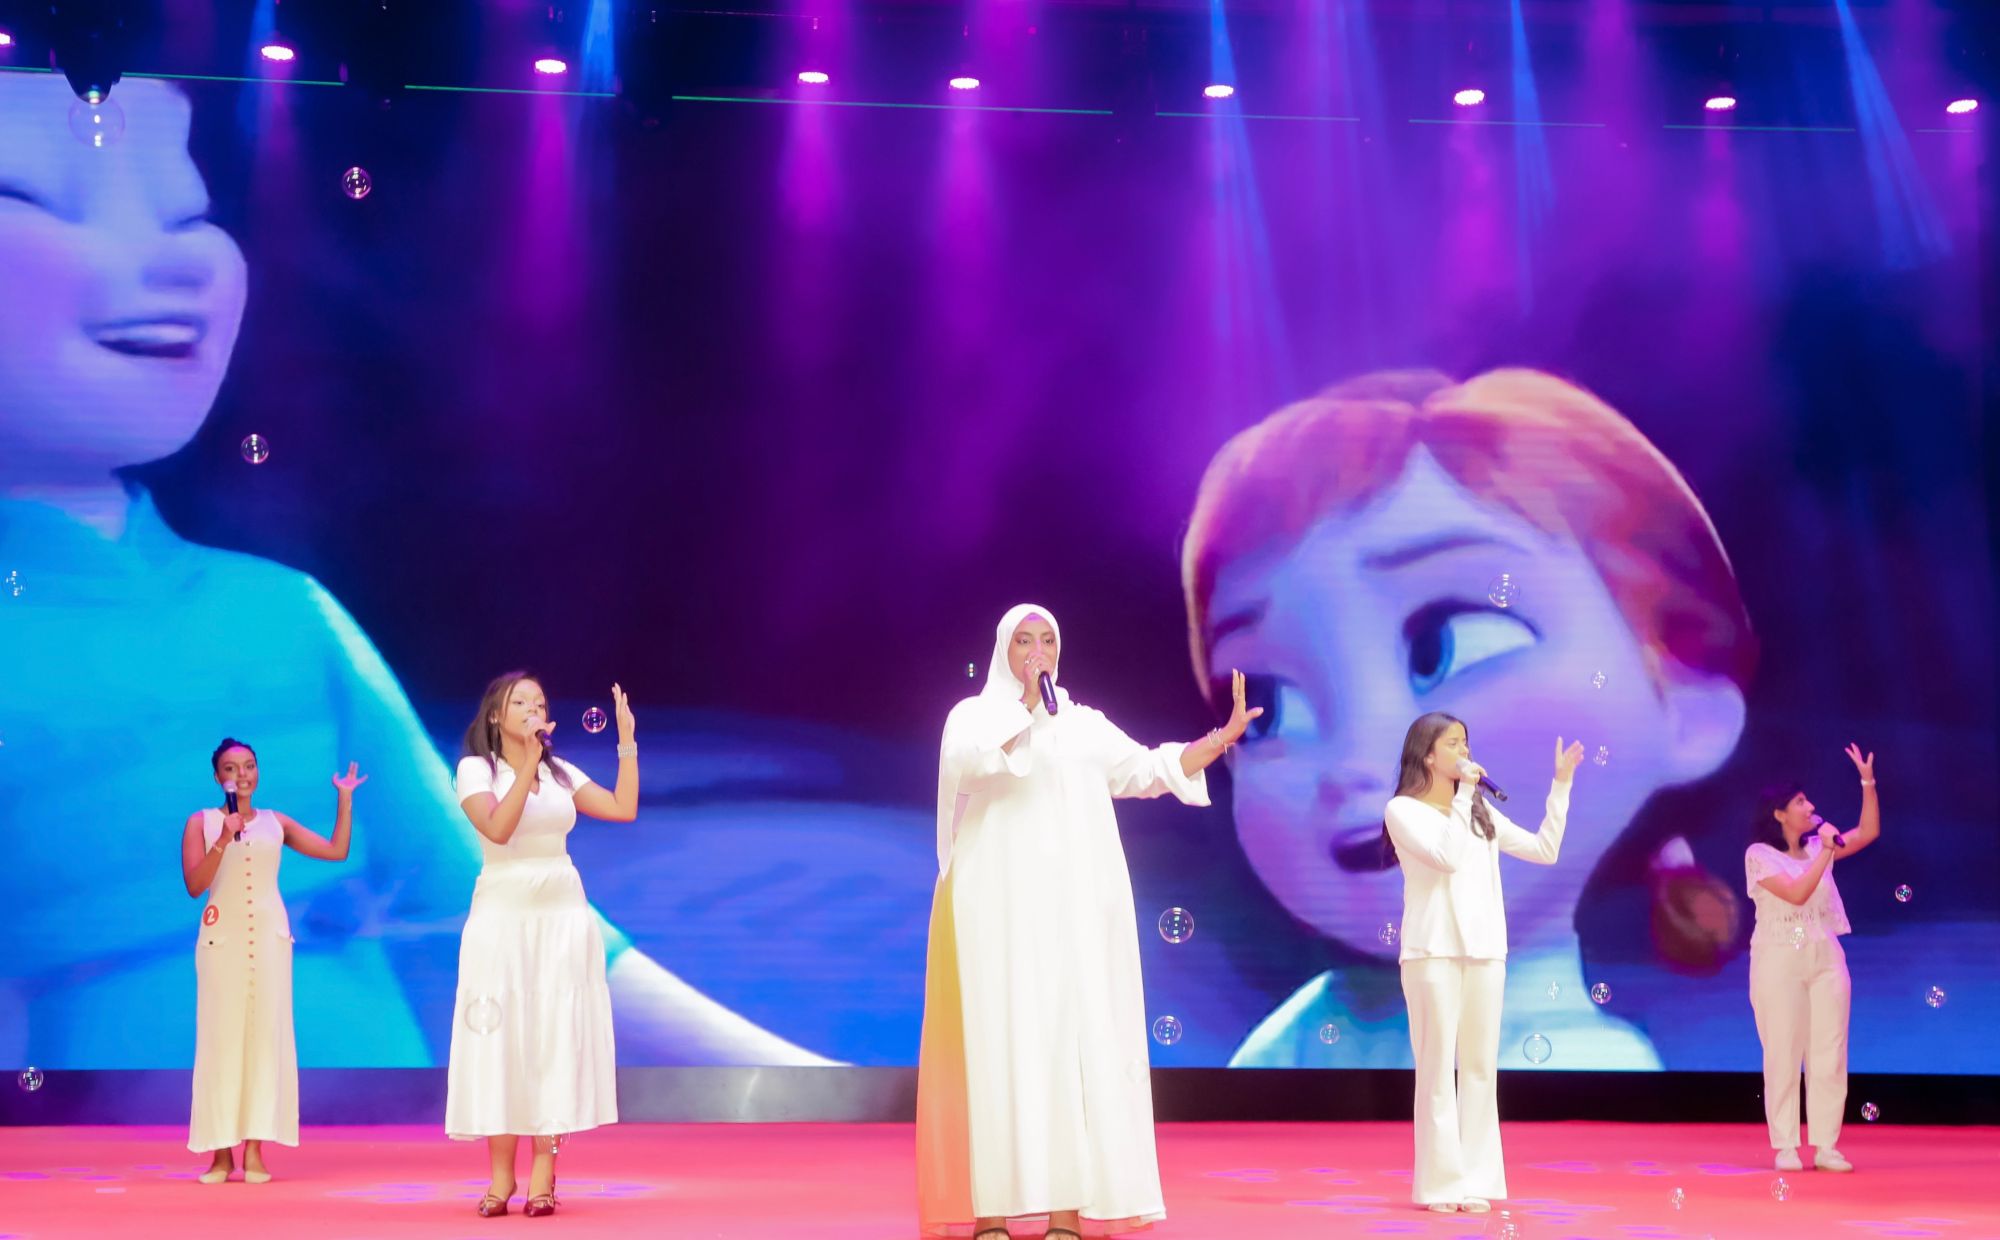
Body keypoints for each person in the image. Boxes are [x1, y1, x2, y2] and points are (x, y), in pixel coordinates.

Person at [0, 69, 821, 1071]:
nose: (172, 262)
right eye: (39, 200)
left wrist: (816, 1092)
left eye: (187, 215)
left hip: (372, 1150)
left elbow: (487, 903)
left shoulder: (284, 616)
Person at [1179, 367, 1754, 1068]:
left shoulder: (1585, 1064)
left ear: (1689, 711)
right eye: (1269, 708)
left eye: (1444, 646)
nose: (1355, 759)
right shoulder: (1304, 1034)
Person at [917, 604, 1261, 1240]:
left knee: (1070, 1050)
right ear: (1004, 650)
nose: (1038, 652)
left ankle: (1066, 1214)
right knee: (997, 1049)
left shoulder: (1084, 725)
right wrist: (1023, 708)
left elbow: (1149, 770)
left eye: (1048, 640)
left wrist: (1221, 738)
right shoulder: (974, 717)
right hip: (996, 912)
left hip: (1074, 912)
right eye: (1024, 641)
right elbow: (969, 765)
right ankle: (991, 1213)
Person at [448, 673, 635, 1218]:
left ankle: (544, 1175)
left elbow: (622, 807)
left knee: (554, 1040)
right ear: (495, 715)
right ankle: (500, 1176)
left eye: (540, 701)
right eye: (521, 701)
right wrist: (528, 761)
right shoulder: (476, 770)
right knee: (502, 1042)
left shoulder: (562, 772)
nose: (534, 707)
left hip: (562, 916)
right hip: (502, 917)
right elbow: (498, 828)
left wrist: (626, 742)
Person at [1382, 712, 1584, 1214]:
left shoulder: (1479, 812)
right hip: (1433, 951)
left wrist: (1560, 786)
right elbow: (1445, 857)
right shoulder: (1402, 810)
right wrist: (1465, 794)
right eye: (1453, 744)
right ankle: (1439, 1185)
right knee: (1436, 1069)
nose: (1465, 752)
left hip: (1485, 949)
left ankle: (1474, 1181)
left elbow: (1544, 849)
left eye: (1466, 743)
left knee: (1478, 1069)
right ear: (1429, 754)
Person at [180, 738, 365, 1183]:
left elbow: (336, 851)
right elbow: (194, 884)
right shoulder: (201, 822)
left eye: (249, 766)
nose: (241, 775)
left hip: (269, 940)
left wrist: (344, 799)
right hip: (221, 941)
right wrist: (223, 839)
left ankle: (255, 1152)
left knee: (265, 1039)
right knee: (221, 1041)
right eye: (231, 768)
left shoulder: (275, 822)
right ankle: (220, 1155)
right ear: (217, 777)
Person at [1745, 743, 1879, 1174]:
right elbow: (1797, 893)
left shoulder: (1818, 848)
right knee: (1783, 1050)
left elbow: (1867, 832)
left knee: (1830, 1049)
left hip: (1825, 954)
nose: (1811, 807)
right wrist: (1825, 850)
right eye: (1801, 802)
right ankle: (1786, 1145)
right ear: (1779, 814)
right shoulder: (1759, 855)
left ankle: (1826, 1145)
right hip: (1778, 958)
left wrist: (1867, 781)